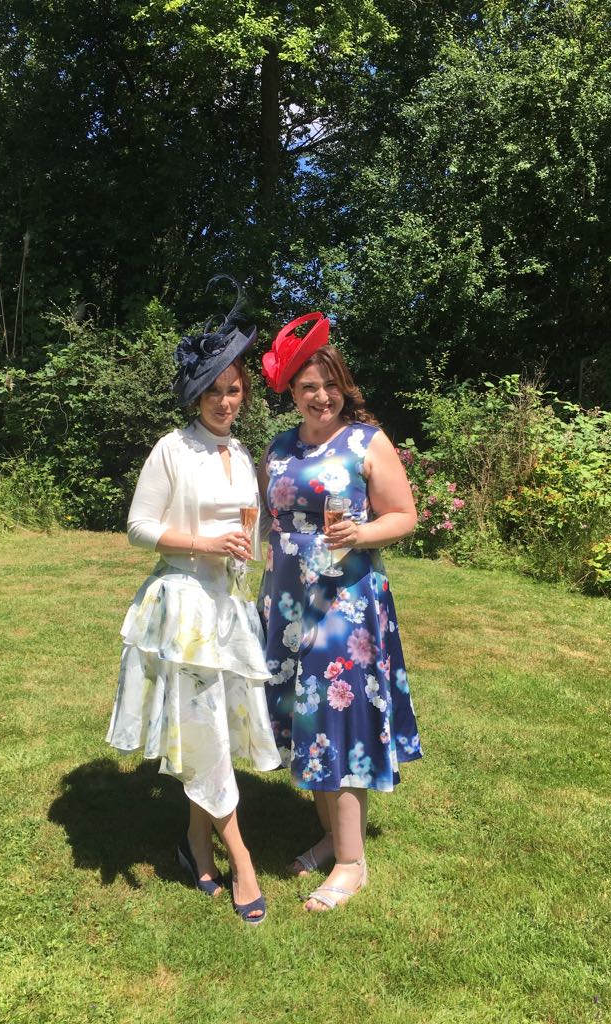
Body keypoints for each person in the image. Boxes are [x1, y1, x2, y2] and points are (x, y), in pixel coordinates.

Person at [106, 276, 281, 925]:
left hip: (227, 608)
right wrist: (203, 542)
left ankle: (194, 844)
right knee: (204, 729)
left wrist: (252, 553)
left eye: (234, 390)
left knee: (209, 732)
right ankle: (242, 859)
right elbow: (138, 527)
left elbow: (248, 533)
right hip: (182, 607)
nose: (226, 401)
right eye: (215, 391)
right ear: (196, 395)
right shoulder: (172, 450)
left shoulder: (240, 453)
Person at [258, 313, 422, 911]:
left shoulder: (366, 441)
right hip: (287, 601)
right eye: (308, 387)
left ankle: (353, 863)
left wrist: (362, 533)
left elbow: (404, 515)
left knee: (338, 716)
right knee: (305, 717)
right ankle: (331, 836)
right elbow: (267, 519)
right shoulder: (280, 447)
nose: (320, 396)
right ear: (292, 393)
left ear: (342, 386)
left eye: (329, 384)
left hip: (345, 605)